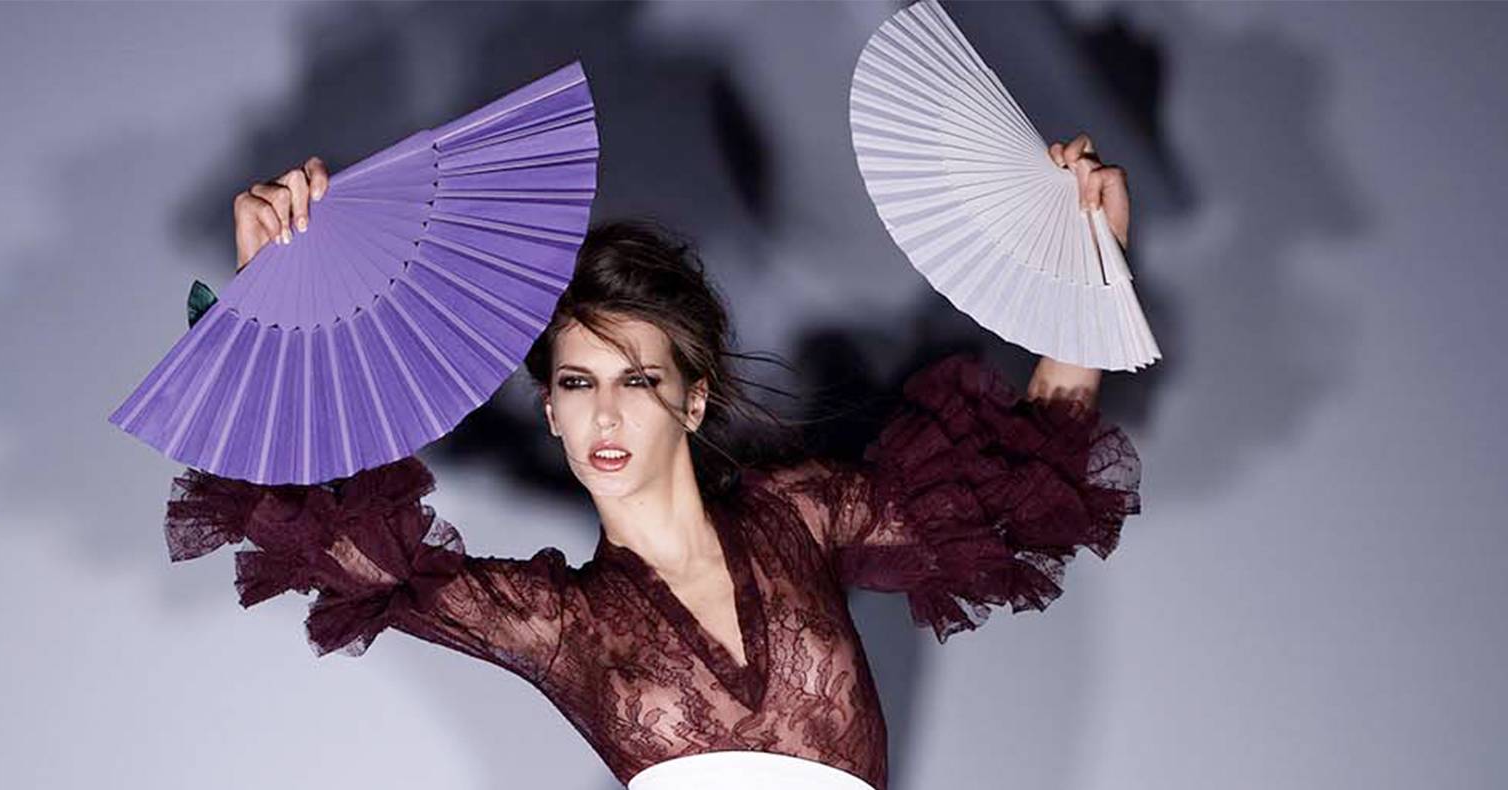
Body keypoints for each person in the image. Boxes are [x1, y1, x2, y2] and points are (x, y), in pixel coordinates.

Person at [166, 135, 1141, 790]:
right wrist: (269, 299)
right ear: (550, 413)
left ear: (692, 397)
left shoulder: (803, 516)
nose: (605, 412)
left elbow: (1014, 492)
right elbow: (334, 543)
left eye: (636, 379)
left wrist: (1088, 255)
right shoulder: (561, 622)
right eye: (577, 383)